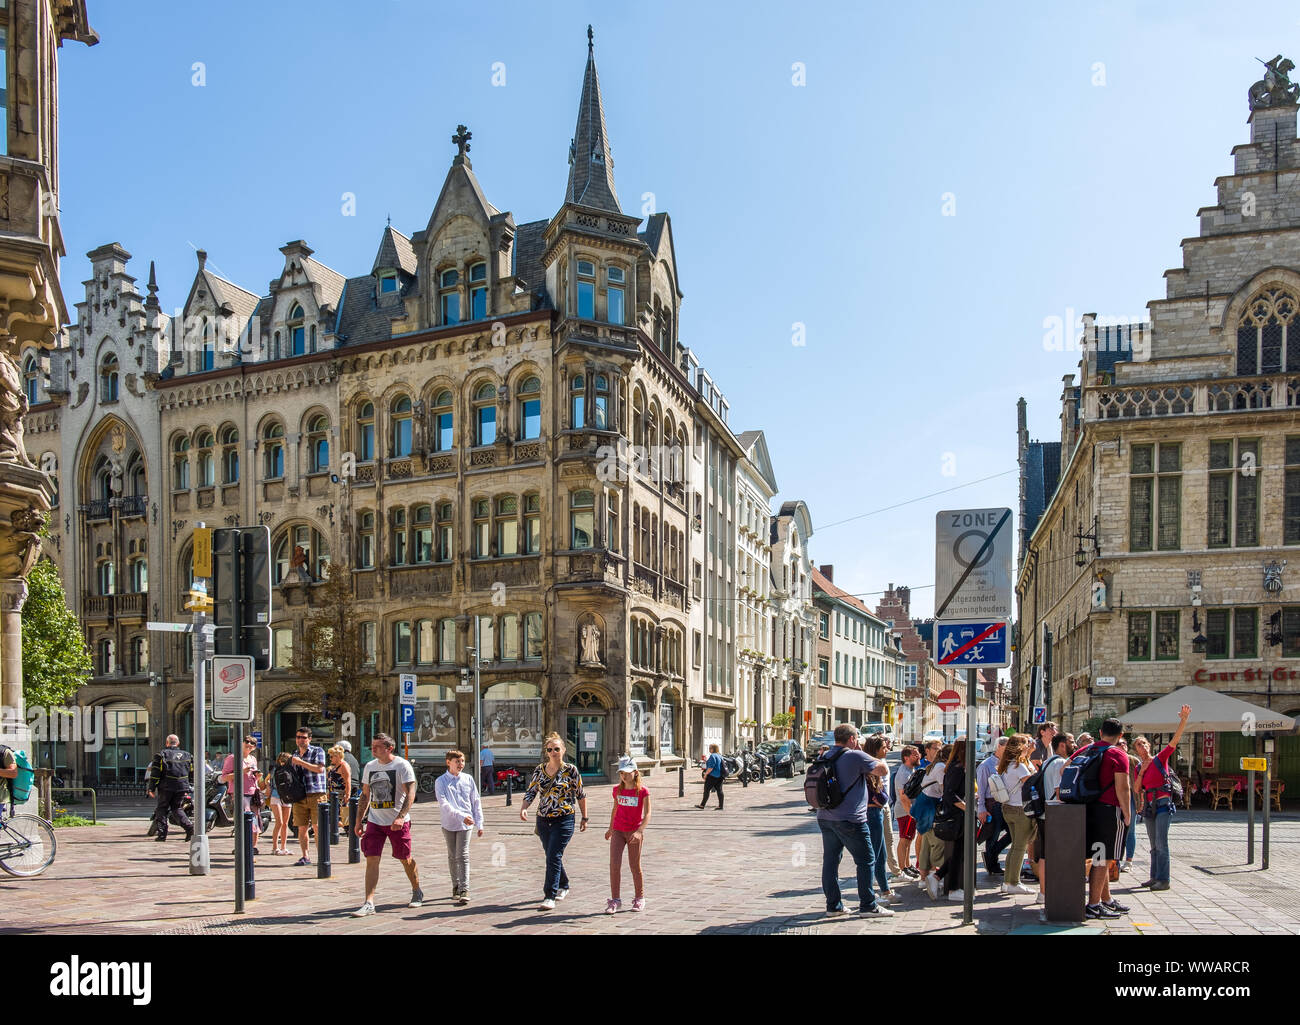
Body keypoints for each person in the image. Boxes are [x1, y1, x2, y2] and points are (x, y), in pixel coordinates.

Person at [816, 724, 894, 917]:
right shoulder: (854, 755)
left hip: (825, 816)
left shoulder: (824, 756)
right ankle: (869, 905)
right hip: (851, 819)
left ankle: (833, 906)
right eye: (857, 738)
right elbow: (882, 769)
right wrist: (862, 752)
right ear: (852, 739)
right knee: (867, 859)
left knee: (831, 861)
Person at [351, 732, 422, 916]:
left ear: (389, 748)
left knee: (404, 858)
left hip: (398, 822)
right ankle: (369, 903)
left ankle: (416, 890)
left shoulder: (402, 765)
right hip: (375, 821)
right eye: (372, 745)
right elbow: (365, 795)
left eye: (377, 746)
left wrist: (400, 816)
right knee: (372, 859)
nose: (372, 749)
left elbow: (411, 793)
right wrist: (359, 821)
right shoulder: (369, 766)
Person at [520, 731, 588, 911]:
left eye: (556, 749)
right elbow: (532, 791)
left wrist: (584, 817)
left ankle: (550, 895)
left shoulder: (571, 770)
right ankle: (564, 884)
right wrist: (524, 807)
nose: (553, 752)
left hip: (564, 819)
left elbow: (580, 794)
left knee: (553, 855)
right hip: (543, 820)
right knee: (552, 855)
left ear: (564, 750)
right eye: (550, 749)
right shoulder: (539, 770)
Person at [1074, 718, 1132, 919]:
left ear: (1100, 732)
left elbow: (1065, 768)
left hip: (1087, 807)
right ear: (1120, 735)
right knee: (1104, 857)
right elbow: (1122, 787)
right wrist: (1127, 813)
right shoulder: (1118, 753)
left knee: (1101, 856)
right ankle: (1093, 904)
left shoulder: (1087, 750)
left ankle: (1105, 899)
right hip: (1109, 809)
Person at [1135, 704, 1192, 893]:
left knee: (1161, 843)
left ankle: (1164, 879)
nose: (1142, 746)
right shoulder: (1138, 768)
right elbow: (1137, 789)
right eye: (1138, 744)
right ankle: (1154, 877)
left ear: (1149, 746)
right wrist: (1142, 772)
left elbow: (1174, 741)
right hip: (1149, 804)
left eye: (1144, 743)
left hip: (1163, 802)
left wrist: (1183, 720)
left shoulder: (1160, 759)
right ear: (1136, 750)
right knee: (1153, 845)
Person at [434, 749, 483, 906]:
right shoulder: (440, 781)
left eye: (462, 761)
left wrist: (479, 823)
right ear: (448, 763)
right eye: (457, 761)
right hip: (449, 823)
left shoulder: (468, 779)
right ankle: (455, 885)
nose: (461, 764)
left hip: (466, 824)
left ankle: (464, 889)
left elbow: (475, 801)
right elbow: (444, 804)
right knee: (452, 855)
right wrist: (461, 816)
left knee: (462, 855)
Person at [605, 754, 651, 913]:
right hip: (618, 830)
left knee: (634, 865)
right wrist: (610, 828)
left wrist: (639, 831)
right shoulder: (617, 790)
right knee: (614, 865)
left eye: (627, 772)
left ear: (636, 772)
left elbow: (648, 814)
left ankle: (640, 897)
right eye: (621, 773)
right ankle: (615, 900)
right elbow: (615, 809)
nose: (624, 776)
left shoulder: (642, 791)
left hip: (633, 832)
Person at [1032, 732, 1073, 904]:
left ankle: (1043, 892)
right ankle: (1050, 892)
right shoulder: (1060, 763)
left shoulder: (1048, 761)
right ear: (1062, 744)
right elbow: (1059, 791)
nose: (1074, 745)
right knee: (1054, 856)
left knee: (1044, 855)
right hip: (1054, 814)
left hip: (1042, 813)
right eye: (1071, 741)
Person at [995, 733, 1037, 896]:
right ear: (1020, 747)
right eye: (1027, 744)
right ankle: (1013, 882)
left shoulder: (1007, 764)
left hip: (1008, 808)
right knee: (1020, 847)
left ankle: (1008, 881)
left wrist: (1029, 755)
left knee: (1014, 846)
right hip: (1020, 810)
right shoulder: (1018, 766)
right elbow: (1031, 783)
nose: (1029, 746)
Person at [861, 735, 895, 902]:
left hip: (876, 813)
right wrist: (883, 798)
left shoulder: (873, 765)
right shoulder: (870, 767)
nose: (887, 749)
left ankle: (885, 890)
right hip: (872, 813)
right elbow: (877, 794)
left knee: (880, 854)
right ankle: (871, 895)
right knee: (872, 856)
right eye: (883, 747)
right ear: (875, 750)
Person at [290, 727, 328, 866]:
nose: (300, 740)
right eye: (298, 737)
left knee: (318, 827)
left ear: (309, 739)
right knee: (302, 828)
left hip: (316, 793)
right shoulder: (294, 753)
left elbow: (319, 769)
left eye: (303, 737)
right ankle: (305, 856)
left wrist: (300, 762)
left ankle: (322, 856)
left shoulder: (317, 751)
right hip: (299, 795)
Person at [145, 734, 194, 843]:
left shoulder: (161, 755)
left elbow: (155, 773)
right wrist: (189, 784)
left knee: (161, 809)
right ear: (178, 743)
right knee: (177, 808)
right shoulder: (188, 755)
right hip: (182, 786)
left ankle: (162, 834)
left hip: (166, 787)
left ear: (167, 743)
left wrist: (151, 788)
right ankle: (189, 828)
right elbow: (192, 772)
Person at [915, 744, 948, 900]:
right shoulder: (941, 766)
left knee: (926, 842)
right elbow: (944, 789)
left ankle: (923, 878)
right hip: (930, 805)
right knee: (937, 841)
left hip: (923, 804)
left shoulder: (934, 765)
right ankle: (935, 876)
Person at [940, 739, 971, 902]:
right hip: (957, 815)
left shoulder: (956, 767)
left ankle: (938, 876)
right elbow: (950, 794)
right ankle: (952, 888)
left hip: (959, 813)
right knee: (960, 850)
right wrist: (967, 807)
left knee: (961, 850)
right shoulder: (957, 768)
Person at [975, 736, 1011, 876]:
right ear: (999, 747)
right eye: (1007, 747)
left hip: (1006, 804)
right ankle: (992, 865)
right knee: (993, 835)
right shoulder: (986, 765)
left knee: (1013, 833)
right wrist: (982, 808)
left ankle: (992, 853)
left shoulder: (1009, 763)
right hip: (992, 804)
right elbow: (981, 789)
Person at [221, 738, 262, 854]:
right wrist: (241, 772)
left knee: (255, 820)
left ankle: (253, 847)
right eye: (247, 741)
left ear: (254, 747)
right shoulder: (233, 758)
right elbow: (224, 777)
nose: (249, 744)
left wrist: (257, 777)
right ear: (241, 743)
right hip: (239, 793)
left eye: (252, 743)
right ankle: (241, 846)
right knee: (243, 821)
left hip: (253, 792)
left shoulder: (253, 759)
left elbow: (254, 776)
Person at [892, 745, 921, 878]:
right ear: (906, 757)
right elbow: (903, 797)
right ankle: (903, 867)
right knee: (904, 839)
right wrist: (910, 812)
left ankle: (908, 864)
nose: (919, 756)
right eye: (915, 754)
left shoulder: (911, 770)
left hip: (910, 810)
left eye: (918, 754)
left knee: (909, 839)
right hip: (905, 811)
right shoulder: (904, 773)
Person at [877, 736, 901, 876]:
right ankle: (878, 875)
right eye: (884, 747)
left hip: (886, 805)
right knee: (878, 843)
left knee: (889, 838)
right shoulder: (873, 763)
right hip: (877, 807)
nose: (887, 749)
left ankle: (895, 871)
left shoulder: (883, 761)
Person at [1116, 738, 1138, 871]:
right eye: (1119, 743)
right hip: (1115, 797)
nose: (1122, 745)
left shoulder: (1133, 761)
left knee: (1130, 829)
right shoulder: (1113, 758)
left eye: (1124, 743)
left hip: (1131, 798)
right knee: (1117, 829)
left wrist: (1141, 801)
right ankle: (1116, 860)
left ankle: (1129, 861)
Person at [266, 752, 292, 855]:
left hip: (287, 797)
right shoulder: (275, 769)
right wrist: (268, 787)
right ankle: (275, 847)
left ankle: (284, 847)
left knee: (285, 824)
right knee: (279, 822)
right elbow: (267, 780)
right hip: (275, 796)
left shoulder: (291, 770)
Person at [327, 745, 353, 836]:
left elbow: (348, 781)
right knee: (334, 816)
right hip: (334, 795)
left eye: (331, 756)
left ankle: (350, 830)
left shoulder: (344, 765)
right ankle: (348, 830)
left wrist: (347, 795)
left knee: (338, 816)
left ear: (337, 756)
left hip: (341, 795)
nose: (330, 759)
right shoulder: (335, 766)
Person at [698, 743, 724, 810]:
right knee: (719, 790)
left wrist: (705, 774)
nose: (709, 749)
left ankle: (702, 805)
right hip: (720, 776)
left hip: (712, 776)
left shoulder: (712, 756)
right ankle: (721, 806)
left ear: (713, 749)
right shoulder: (719, 755)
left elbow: (711, 767)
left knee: (706, 790)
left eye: (710, 748)